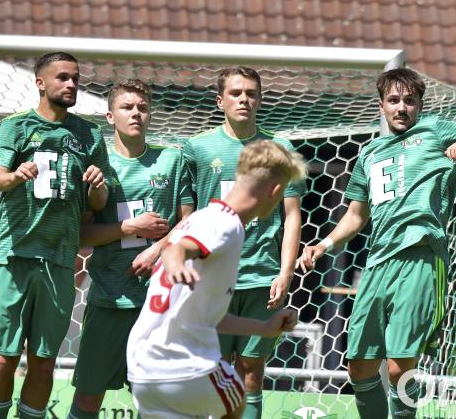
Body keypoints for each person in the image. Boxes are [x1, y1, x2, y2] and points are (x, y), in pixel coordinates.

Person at [298, 68, 456, 418]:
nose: (402, 107)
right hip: (377, 264)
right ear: (381, 106)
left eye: (410, 101)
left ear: (420, 105)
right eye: (394, 100)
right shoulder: (369, 154)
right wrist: (323, 245)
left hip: (421, 258)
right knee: (359, 367)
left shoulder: (436, 129)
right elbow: (356, 215)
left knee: (399, 368)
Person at [127, 140, 307, 418]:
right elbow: (176, 249)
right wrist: (175, 262)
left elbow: (208, 316)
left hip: (143, 368)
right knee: (237, 402)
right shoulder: (226, 224)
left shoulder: (202, 217)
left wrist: (263, 328)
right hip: (183, 365)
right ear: (275, 192)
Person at [0, 51, 110, 419]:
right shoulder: (16, 126)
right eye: (63, 77)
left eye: (76, 78)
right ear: (40, 82)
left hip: (59, 261)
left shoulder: (89, 134)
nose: (71, 84)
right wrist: (15, 176)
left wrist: (98, 185)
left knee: (43, 362)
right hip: (14, 256)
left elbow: (99, 202)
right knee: (5, 356)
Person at [181, 66, 307, 418]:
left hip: (261, 276)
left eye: (251, 93)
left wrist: (285, 273)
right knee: (211, 371)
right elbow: (187, 215)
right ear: (219, 100)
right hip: (212, 275)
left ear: (260, 100)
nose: (244, 99)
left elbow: (292, 215)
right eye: (235, 93)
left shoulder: (279, 149)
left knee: (251, 372)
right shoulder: (197, 148)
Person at [68, 79, 195, 419]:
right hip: (109, 297)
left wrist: (158, 250)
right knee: (87, 398)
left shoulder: (172, 159)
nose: (136, 113)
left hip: (161, 302)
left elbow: (190, 222)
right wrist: (129, 227)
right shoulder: (97, 167)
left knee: (155, 400)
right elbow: (81, 235)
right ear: (110, 116)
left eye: (142, 107)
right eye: (127, 107)